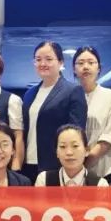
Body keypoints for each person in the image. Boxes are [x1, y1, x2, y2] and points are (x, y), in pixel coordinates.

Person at [22, 41, 87, 179]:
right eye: (38, 59)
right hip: (27, 163)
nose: (43, 63)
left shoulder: (73, 91)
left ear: (61, 62)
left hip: (55, 164)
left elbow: (76, 132)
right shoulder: (29, 94)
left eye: (49, 59)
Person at [72, 46, 111, 178]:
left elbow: (109, 137)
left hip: (104, 168)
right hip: (72, 169)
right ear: (74, 69)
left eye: (91, 62)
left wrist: (84, 165)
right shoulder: (68, 96)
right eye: (80, 63)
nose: (85, 67)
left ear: (99, 68)